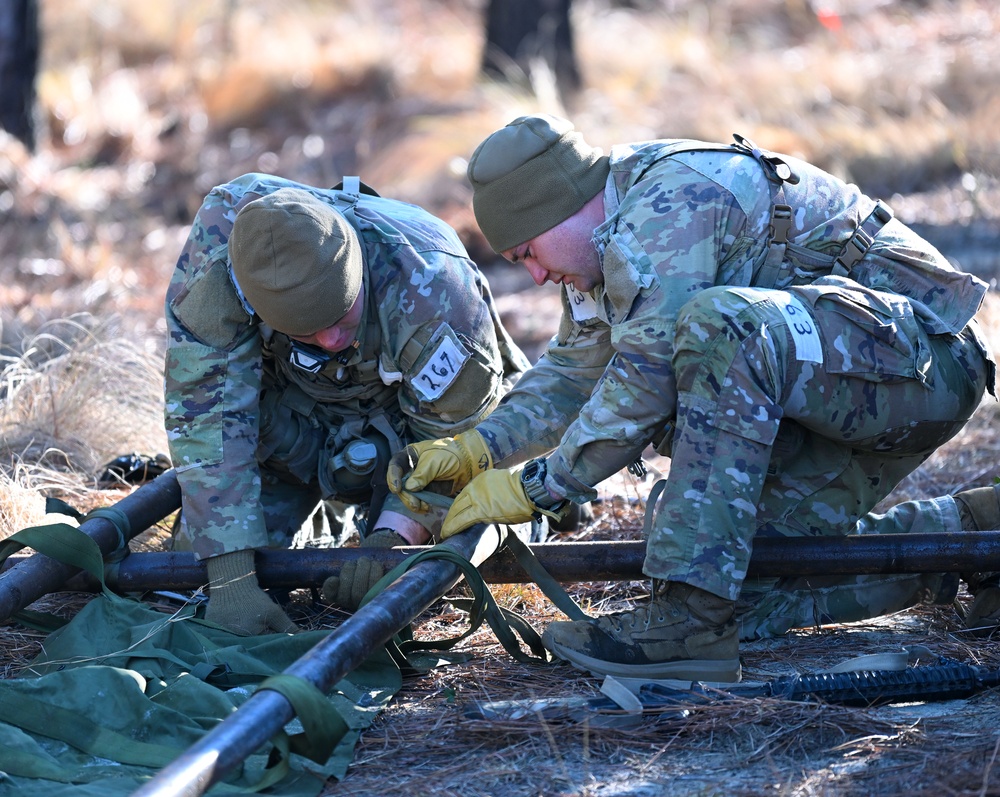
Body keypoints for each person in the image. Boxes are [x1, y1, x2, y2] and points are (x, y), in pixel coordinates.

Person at [388, 114, 999, 682]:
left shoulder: (666, 206)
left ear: (562, 210)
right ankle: (969, 535)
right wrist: (479, 448)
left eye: (527, 253)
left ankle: (687, 622)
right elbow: (575, 372)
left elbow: (646, 374)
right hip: (847, 380)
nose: (537, 277)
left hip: (928, 365)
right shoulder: (605, 244)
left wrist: (540, 486)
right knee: (739, 574)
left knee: (717, 326)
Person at [164, 172, 530, 636]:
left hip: (409, 435)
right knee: (197, 583)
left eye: (342, 315)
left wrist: (391, 539)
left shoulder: (433, 288)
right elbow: (204, 407)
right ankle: (314, 512)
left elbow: (453, 443)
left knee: (438, 569)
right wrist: (230, 576)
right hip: (290, 426)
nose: (332, 339)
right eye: (307, 332)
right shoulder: (226, 247)